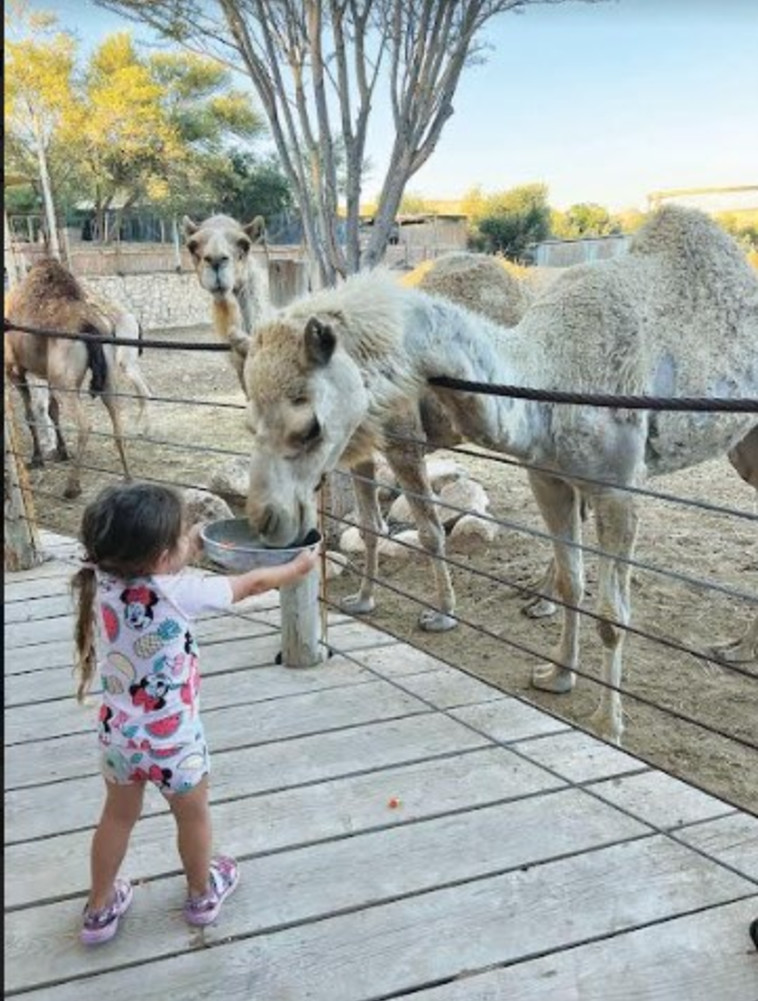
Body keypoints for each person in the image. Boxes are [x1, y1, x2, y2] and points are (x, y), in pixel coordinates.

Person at [71, 481, 319, 946]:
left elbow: (139, 555)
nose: (192, 539)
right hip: (175, 743)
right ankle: (202, 895)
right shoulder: (182, 591)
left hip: (119, 737)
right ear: (163, 555)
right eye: (185, 535)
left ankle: (99, 909)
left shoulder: (99, 578)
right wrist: (298, 566)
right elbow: (254, 583)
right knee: (193, 817)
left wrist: (186, 537)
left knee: (117, 817)